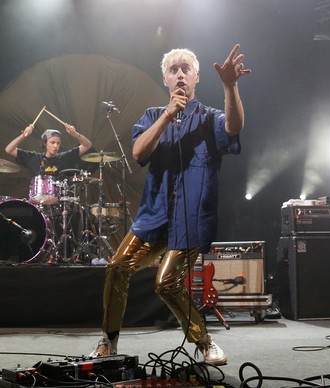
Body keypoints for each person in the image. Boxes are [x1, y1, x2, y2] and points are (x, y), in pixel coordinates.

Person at [89, 44, 250, 366]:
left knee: (166, 283)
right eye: (173, 70)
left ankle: (205, 341)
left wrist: (230, 86)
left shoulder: (209, 117)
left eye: (185, 69)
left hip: (191, 218)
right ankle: (108, 340)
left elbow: (233, 128)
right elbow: (138, 153)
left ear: (196, 78)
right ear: (165, 79)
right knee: (117, 267)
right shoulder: (152, 116)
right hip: (154, 215)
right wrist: (167, 115)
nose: (179, 75)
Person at [5, 123, 94, 180]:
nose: (56, 146)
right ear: (45, 143)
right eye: (52, 142)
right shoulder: (34, 158)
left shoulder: (64, 157)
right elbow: (9, 149)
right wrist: (23, 135)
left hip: (59, 201)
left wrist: (75, 134)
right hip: (37, 201)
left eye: (58, 143)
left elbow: (87, 145)